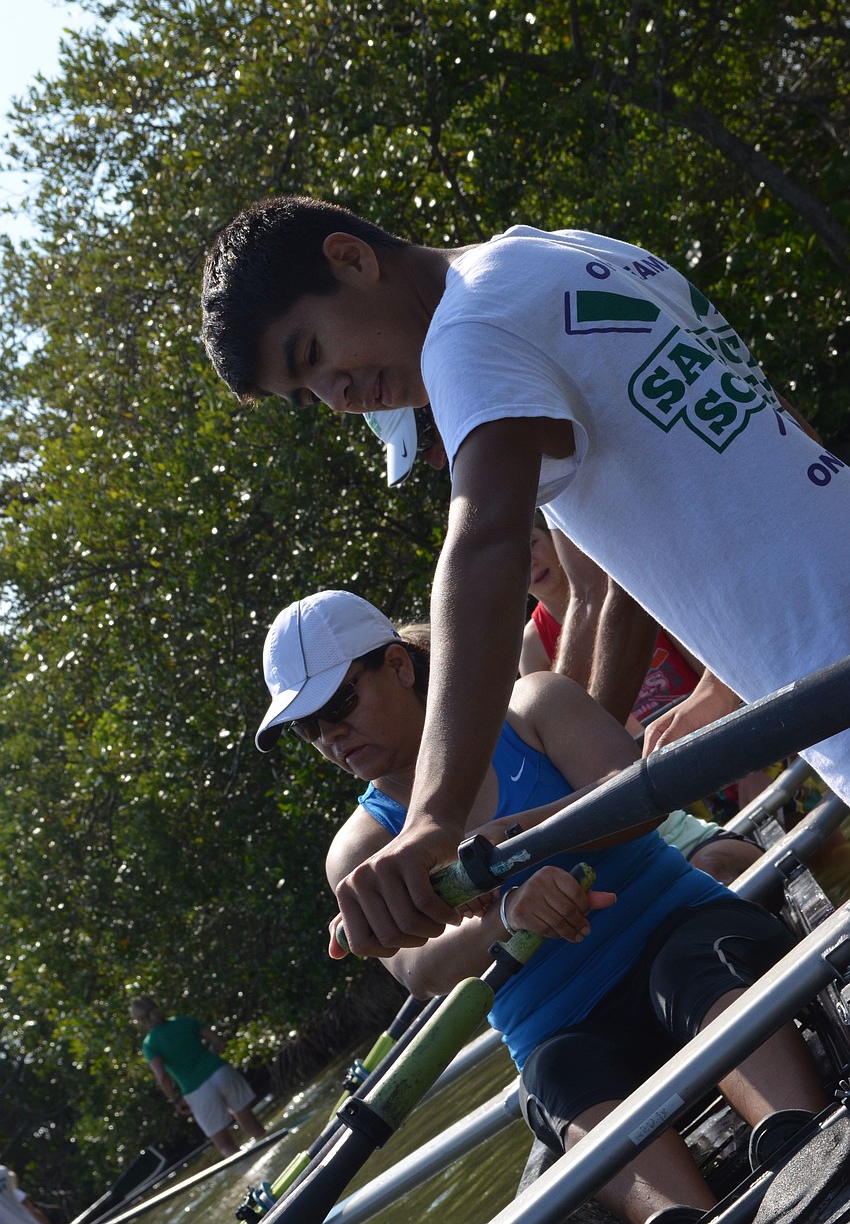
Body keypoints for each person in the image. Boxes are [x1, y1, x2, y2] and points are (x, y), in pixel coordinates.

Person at [202, 194, 850, 955]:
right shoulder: (567, 252)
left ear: (352, 258)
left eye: (311, 354)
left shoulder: (464, 332)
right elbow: (769, 423)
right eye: (306, 395)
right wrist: (723, 683)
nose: (335, 397)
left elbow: (483, 549)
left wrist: (434, 820)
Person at [253, 588, 828, 1224]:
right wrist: (509, 915)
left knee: (689, 967)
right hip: (561, 1031)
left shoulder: (531, 705)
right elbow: (418, 971)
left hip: (677, 931)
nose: (330, 735)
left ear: (397, 665)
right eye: (307, 727)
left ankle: (809, 1149)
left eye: (339, 702)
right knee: (560, 1071)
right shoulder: (358, 850)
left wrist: (508, 844)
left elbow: (637, 797)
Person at [520, 516, 764, 886]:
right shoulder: (533, 644)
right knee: (721, 869)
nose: (531, 561)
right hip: (649, 774)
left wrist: (748, 753)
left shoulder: (626, 585)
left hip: (716, 733)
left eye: (534, 543)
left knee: (815, 838)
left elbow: (706, 665)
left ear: (557, 540)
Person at [129, 995, 265, 1157]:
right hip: (220, 1072)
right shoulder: (183, 1021)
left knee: (227, 1146)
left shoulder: (150, 1044)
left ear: (138, 1020)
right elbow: (219, 1042)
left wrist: (174, 1099)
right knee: (254, 1128)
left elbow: (162, 1076)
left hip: (196, 1090)